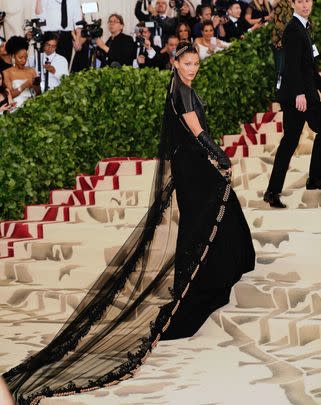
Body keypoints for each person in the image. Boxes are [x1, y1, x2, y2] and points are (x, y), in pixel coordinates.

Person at [3, 42, 255, 404]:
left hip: (193, 165)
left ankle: (226, 266)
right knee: (204, 223)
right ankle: (202, 283)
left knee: (215, 218)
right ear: (175, 63)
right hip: (194, 166)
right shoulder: (181, 92)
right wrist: (217, 153)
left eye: (196, 62)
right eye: (187, 63)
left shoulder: (180, 87)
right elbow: (195, 128)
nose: (193, 68)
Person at [264, 0, 321, 208]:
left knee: (289, 142)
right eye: (300, 1)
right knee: (289, 142)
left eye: (308, 1)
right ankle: (313, 179)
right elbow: (292, 66)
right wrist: (299, 94)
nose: (305, 5)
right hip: (299, 97)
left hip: (304, 94)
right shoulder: (292, 29)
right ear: (292, 3)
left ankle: (274, 191)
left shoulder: (304, 27)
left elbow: (309, 66)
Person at [3, 36, 40, 108]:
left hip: (33, 105)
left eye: (26, 57)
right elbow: (10, 95)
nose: (24, 60)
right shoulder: (6, 73)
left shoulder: (31, 70)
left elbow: (38, 93)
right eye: (20, 57)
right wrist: (24, 85)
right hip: (17, 107)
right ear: (13, 56)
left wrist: (36, 85)